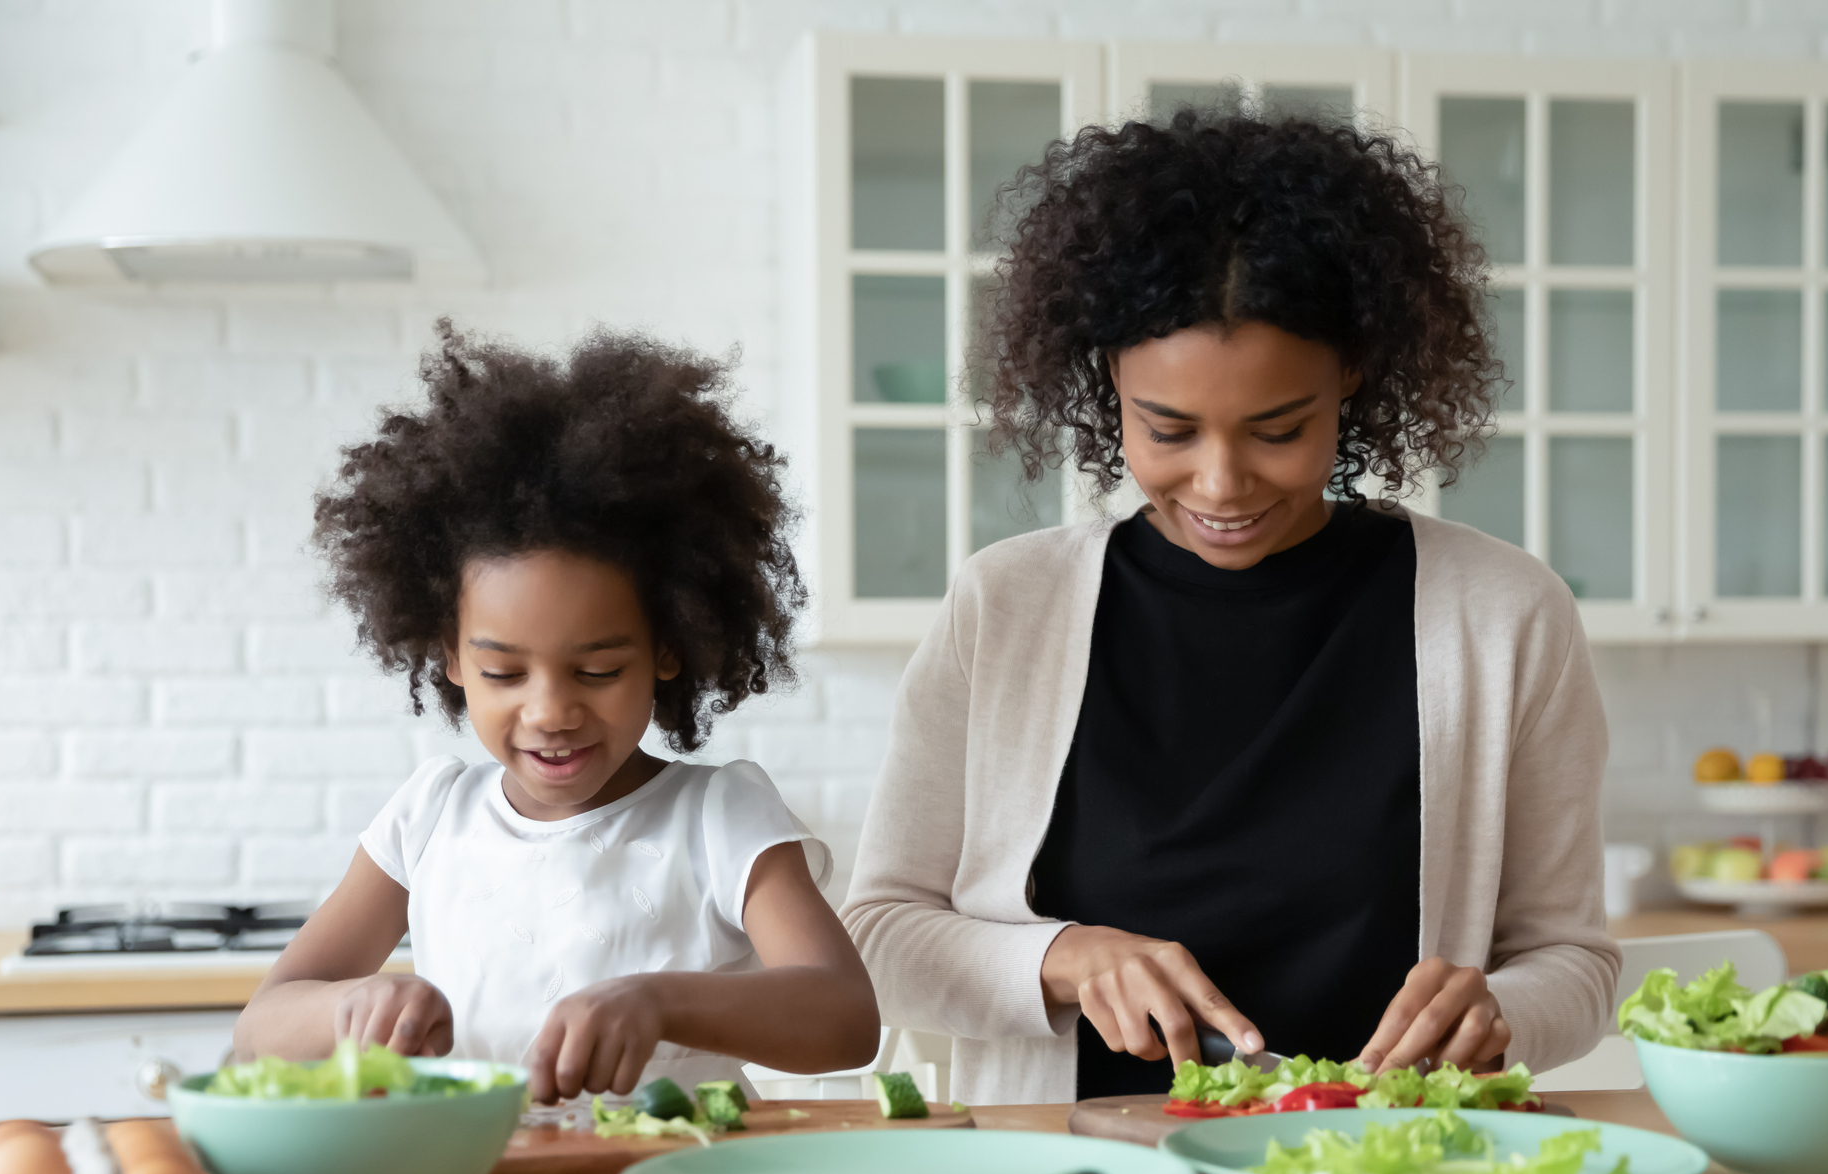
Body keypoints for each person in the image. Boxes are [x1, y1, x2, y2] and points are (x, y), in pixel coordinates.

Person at [842, 108, 1621, 1104]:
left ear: (1353, 375)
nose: (1220, 483)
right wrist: (1065, 959)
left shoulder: (1506, 616)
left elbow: (1573, 961)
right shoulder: (1005, 607)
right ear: (1105, 383)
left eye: (1278, 430)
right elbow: (877, 934)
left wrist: (1502, 1013)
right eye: (1167, 429)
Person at [234, 324, 880, 1105]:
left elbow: (845, 1017)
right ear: (451, 657)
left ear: (667, 648)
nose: (549, 711)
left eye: (597, 670)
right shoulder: (429, 816)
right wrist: (350, 1007)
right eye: (502, 672)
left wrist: (659, 1000)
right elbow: (259, 1027)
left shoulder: (719, 816)